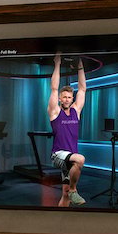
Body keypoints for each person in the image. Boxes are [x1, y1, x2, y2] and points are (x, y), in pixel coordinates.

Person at [48, 52, 87, 206]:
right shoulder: (55, 112)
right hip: (58, 155)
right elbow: (53, 88)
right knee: (80, 159)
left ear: (72, 99)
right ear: (60, 98)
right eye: (64, 97)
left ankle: (62, 217)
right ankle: (73, 190)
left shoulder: (76, 112)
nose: (66, 99)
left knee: (64, 195)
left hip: (70, 159)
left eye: (69, 97)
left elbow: (82, 89)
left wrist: (80, 66)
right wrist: (57, 63)